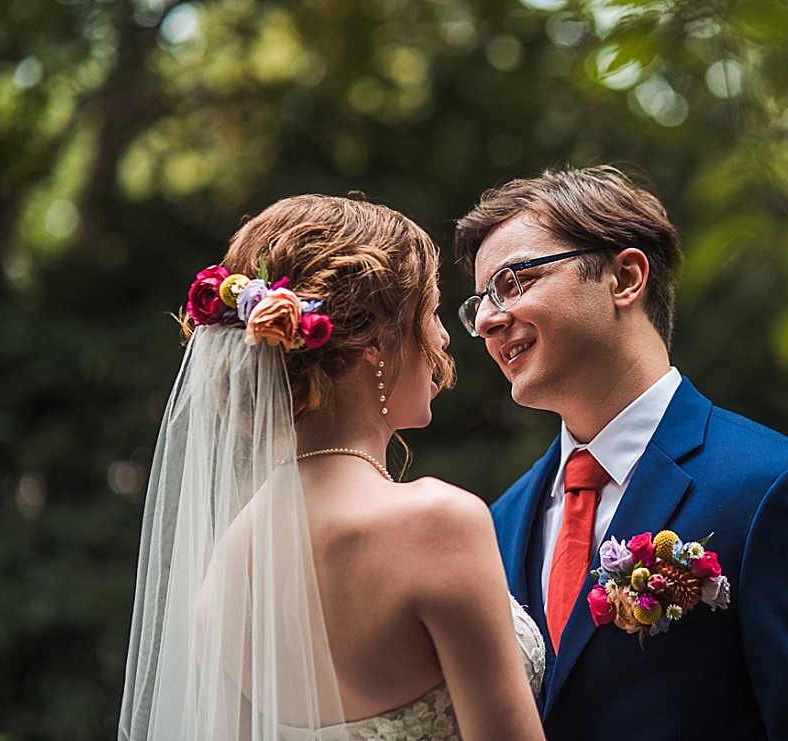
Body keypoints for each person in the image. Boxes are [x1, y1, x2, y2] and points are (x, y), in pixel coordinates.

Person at [454, 165, 788, 740]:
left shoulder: (776, 490)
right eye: (479, 303)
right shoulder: (498, 521)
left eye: (513, 281)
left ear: (624, 278)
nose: (488, 318)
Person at [119, 195, 546, 741]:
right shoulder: (437, 524)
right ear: (373, 343)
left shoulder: (224, 570)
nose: (443, 337)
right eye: (432, 311)